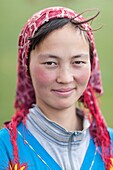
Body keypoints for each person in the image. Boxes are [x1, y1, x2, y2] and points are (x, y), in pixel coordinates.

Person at [0, 6, 113, 170]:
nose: (65, 78)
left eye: (78, 62)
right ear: (27, 66)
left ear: (92, 64)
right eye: (50, 63)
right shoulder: (6, 150)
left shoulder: (109, 146)